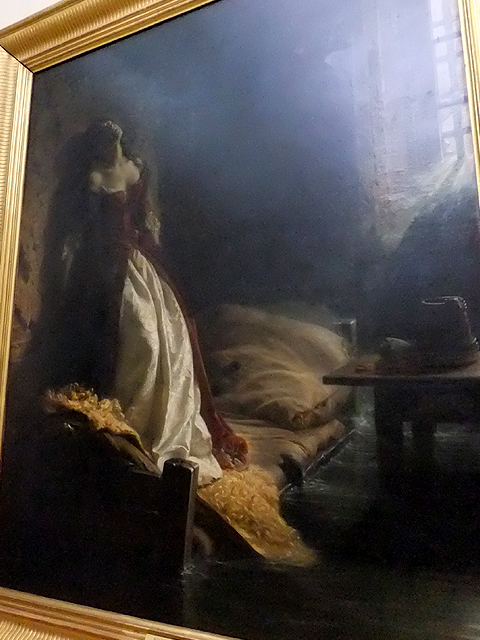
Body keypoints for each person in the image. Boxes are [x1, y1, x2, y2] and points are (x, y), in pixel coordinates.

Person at [49, 120, 247, 485]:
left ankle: (162, 424)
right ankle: (129, 421)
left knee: (167, 333)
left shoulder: (134, 169)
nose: (110, 148)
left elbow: (142, 224)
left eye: (114, 142)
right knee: (138, 337)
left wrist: (153, 255)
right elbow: (76, 233)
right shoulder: (92, 179)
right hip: (100, 270)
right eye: (104, 143)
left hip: (138, 264)